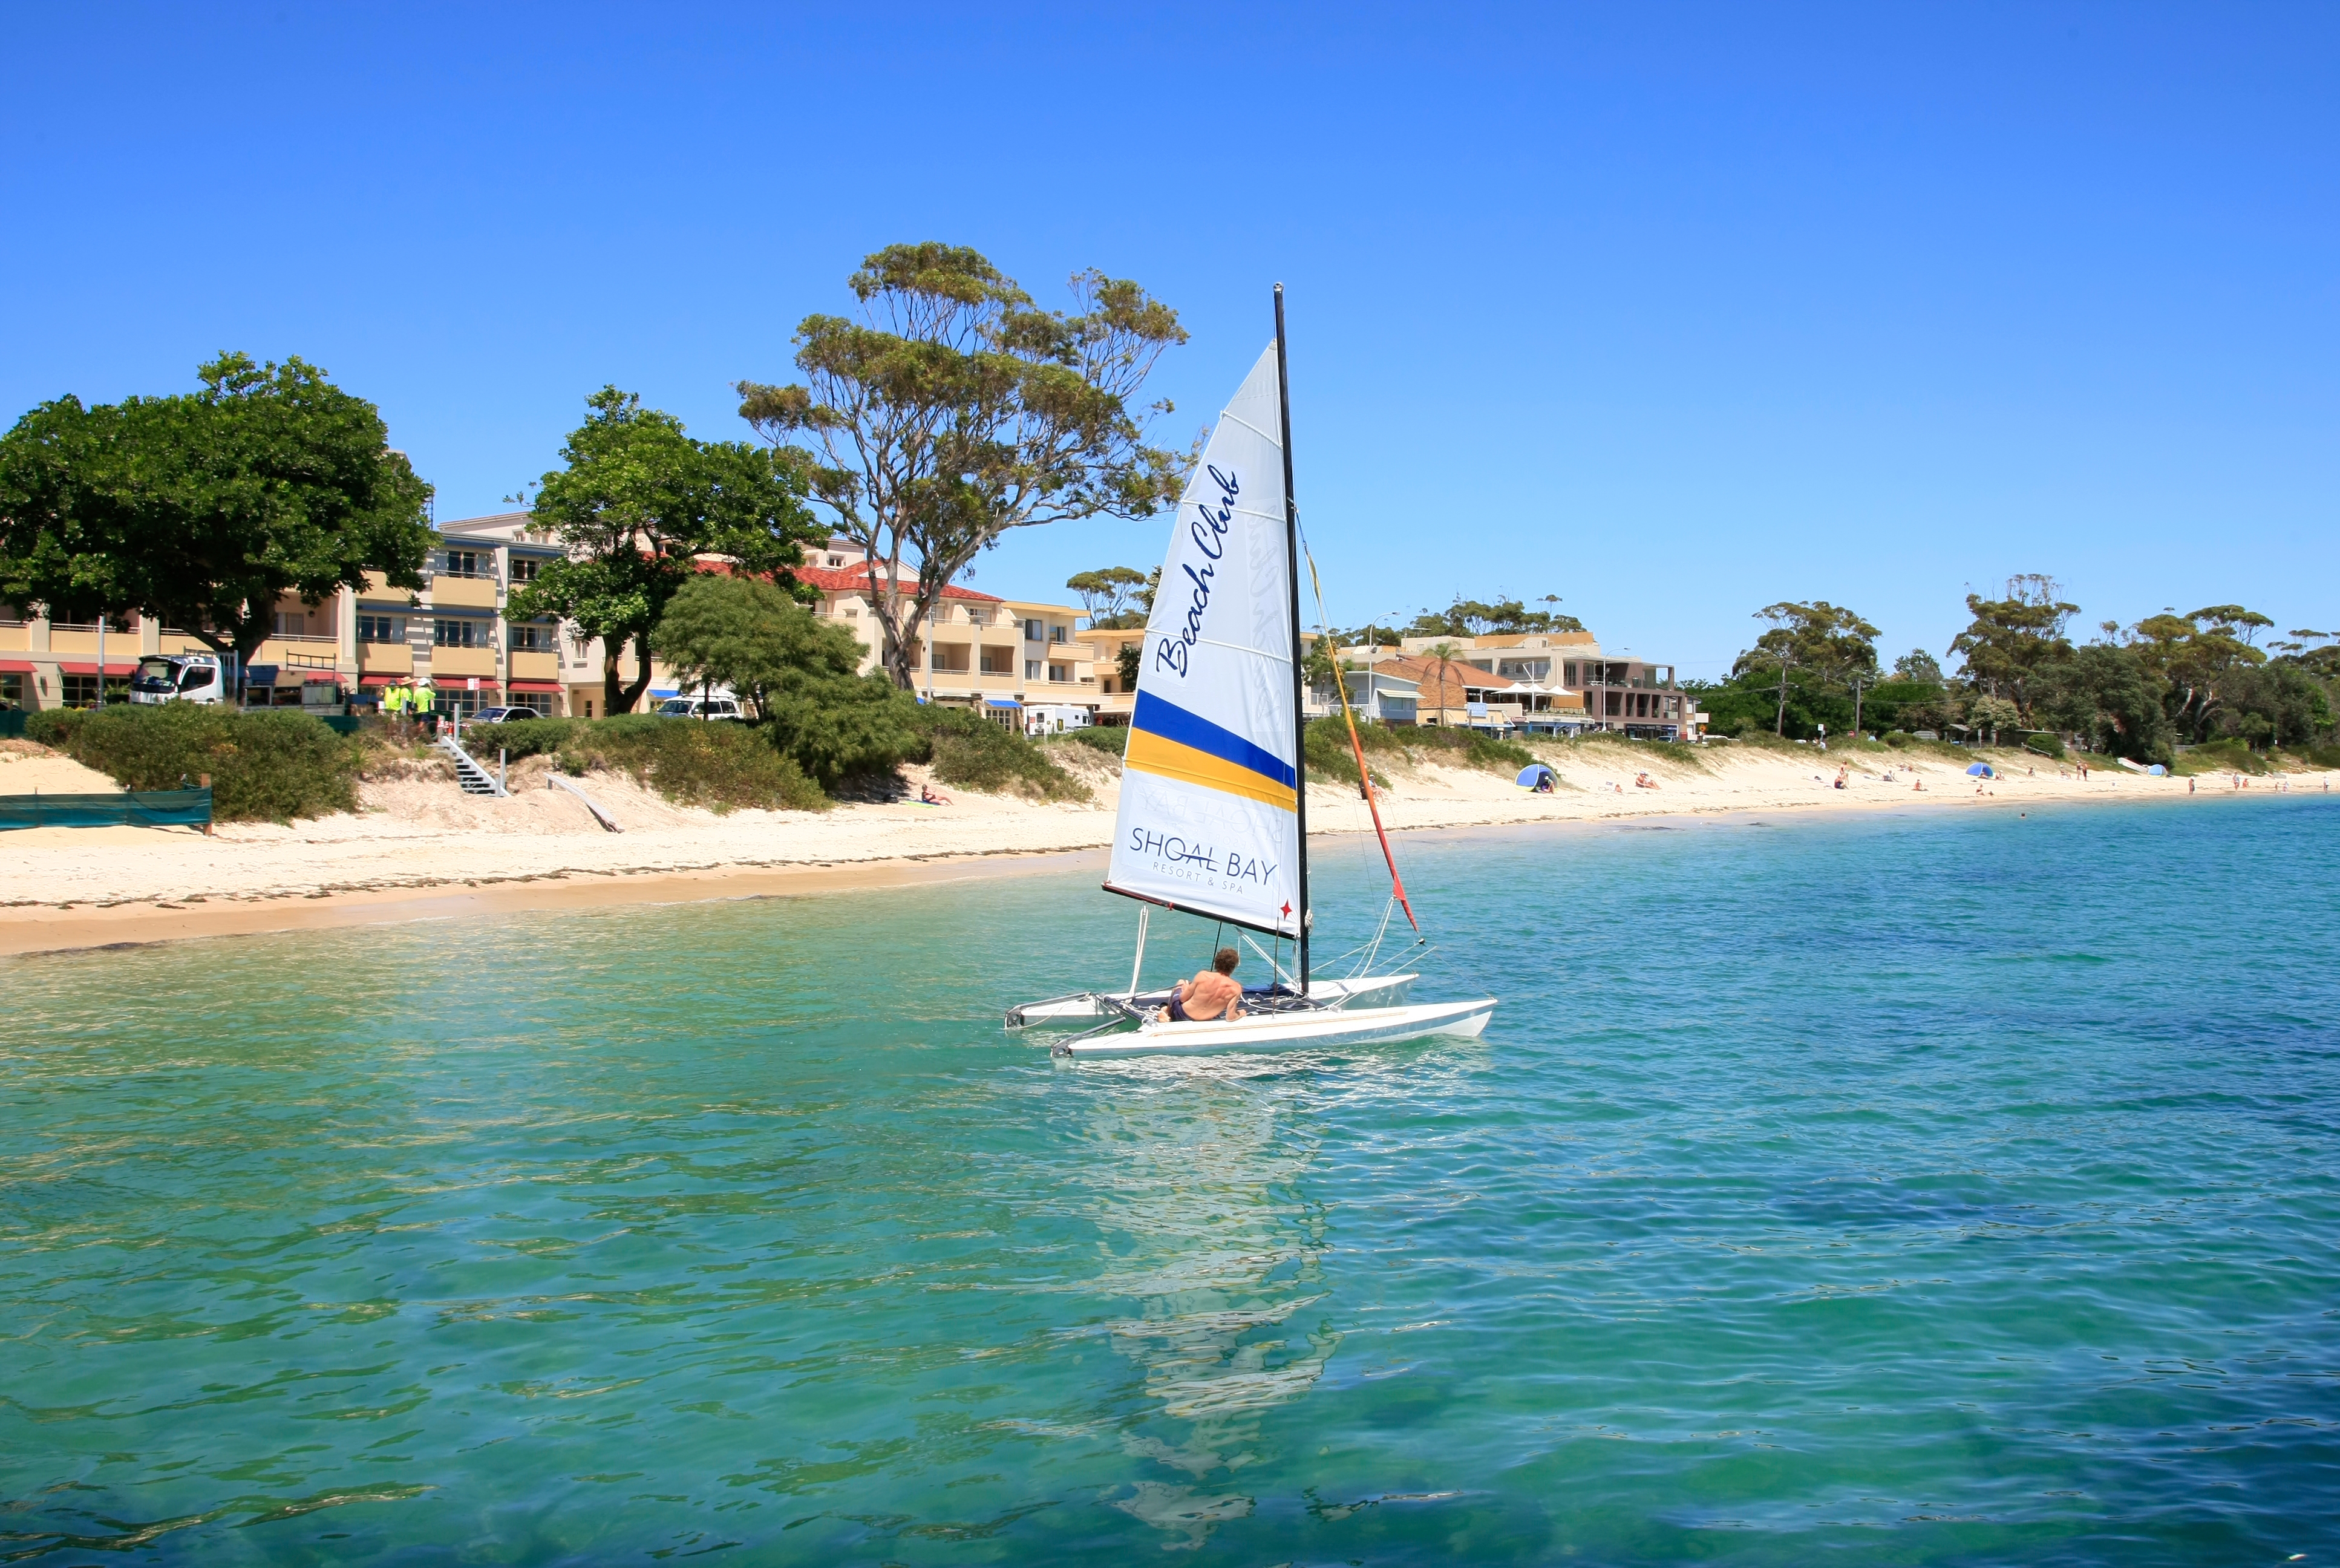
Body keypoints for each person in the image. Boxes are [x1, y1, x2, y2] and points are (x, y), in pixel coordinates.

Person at [1157, 947, 1244, 1024]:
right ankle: (1166, 1010)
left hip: (1181, 1015)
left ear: (1216, 963)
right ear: (1233, 967)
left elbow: (1183, 998)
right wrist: (1241, 1013)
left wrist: (1186, 989)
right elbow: (1230, 1017)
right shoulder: (1236, 988)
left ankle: (1167, 1012)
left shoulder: (1203, 975)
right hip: (1204, 1022)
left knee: (1181, 982)